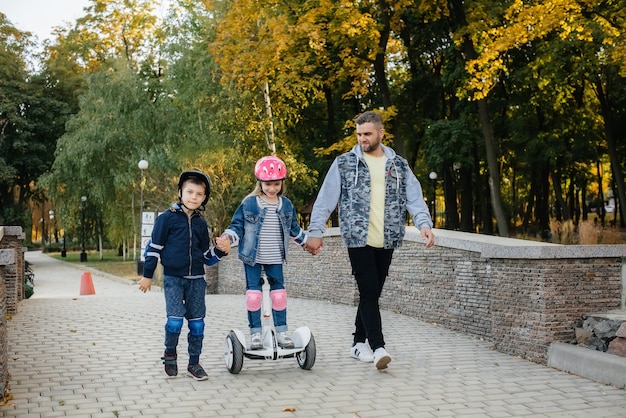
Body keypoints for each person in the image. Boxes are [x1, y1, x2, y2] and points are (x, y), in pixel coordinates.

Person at [306, 111, 435, 370]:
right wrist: (315, 230)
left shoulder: (398, 165)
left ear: (380, 133)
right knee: (368, 291)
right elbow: (326, 198)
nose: (362, 139)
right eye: (359, 134)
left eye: (367, 134)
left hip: (387, 238)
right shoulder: (345, 163)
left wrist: (424, 224)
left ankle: (357, 342)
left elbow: (414, 196)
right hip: (357, 238)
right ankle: (378, 347)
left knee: (372, 293)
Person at [138, 170, 230, 380]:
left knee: (197, 324)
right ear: (180, 192)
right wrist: (147, 275)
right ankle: (170, 354)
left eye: (199, 194)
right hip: (173, 279)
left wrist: (221, 252)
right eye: (190, 192)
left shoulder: (200, 223)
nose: (194, 197)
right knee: (175, 321)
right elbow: (153, 249)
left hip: (197, 281)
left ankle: (194, 363)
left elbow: (206, 256)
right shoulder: (166, 219)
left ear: (204, 198)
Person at [221, 156, 308, 350]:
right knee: (254, 296)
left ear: (281, 183)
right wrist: (227, 238)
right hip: (252, 258)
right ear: (260, 182)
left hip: (275, 257)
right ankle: (256, 334)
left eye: (276, 184)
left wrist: (308, 243)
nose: (272, 188)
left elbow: (294, 229)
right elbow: (238, 226)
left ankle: (282, 332)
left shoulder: (285, 205)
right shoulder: (249, 203)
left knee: (278, 296)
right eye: (268, 184)